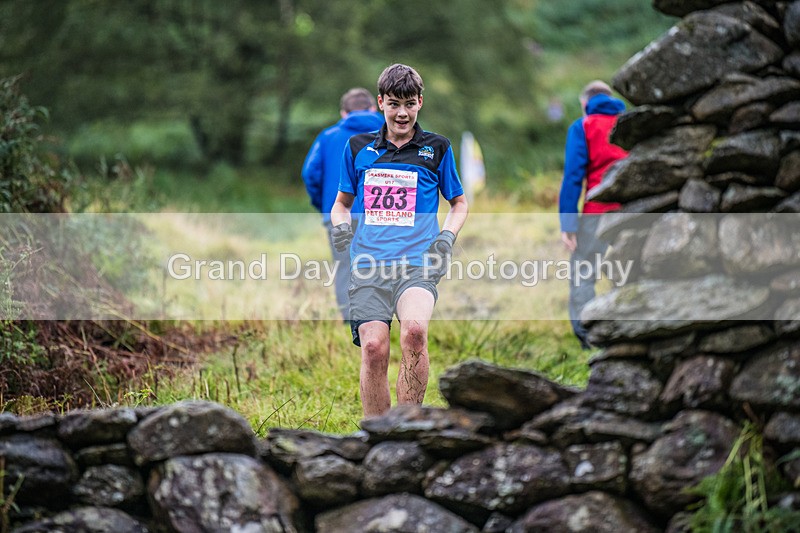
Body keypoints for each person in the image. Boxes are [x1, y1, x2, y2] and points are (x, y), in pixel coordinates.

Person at [330, 64, 468, 418]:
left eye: (409, 103)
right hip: (369, 264)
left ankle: (407, 428)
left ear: (420, 102)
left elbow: (459, 204)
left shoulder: (437, 148)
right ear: (380, 103)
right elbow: (341, 205)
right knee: (374, 348)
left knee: (415, 334)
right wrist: (341, 228)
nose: (402, 112)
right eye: (394, 104)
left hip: (418, 262)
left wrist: (446, 238)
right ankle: (377, 435)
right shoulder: (358, 148)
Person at [301, 88, 384, 319]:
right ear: (373, 108)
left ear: (344, 113)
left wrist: (324, 205)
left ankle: (350, 320)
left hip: (337, 215)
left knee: (345, 266)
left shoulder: (328, 137)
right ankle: (378, 318)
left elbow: (310, 174)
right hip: (382, 215)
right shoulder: (392, 134)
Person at [559, 80, 627, 349]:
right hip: (632, 211)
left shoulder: (583, 126)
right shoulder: (627, 123)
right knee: (628, 272)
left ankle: (589, 337)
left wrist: (568, 223)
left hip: (596, 212)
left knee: (583, 273)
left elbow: (573, 177)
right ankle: (627, 330)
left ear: (585, 103)